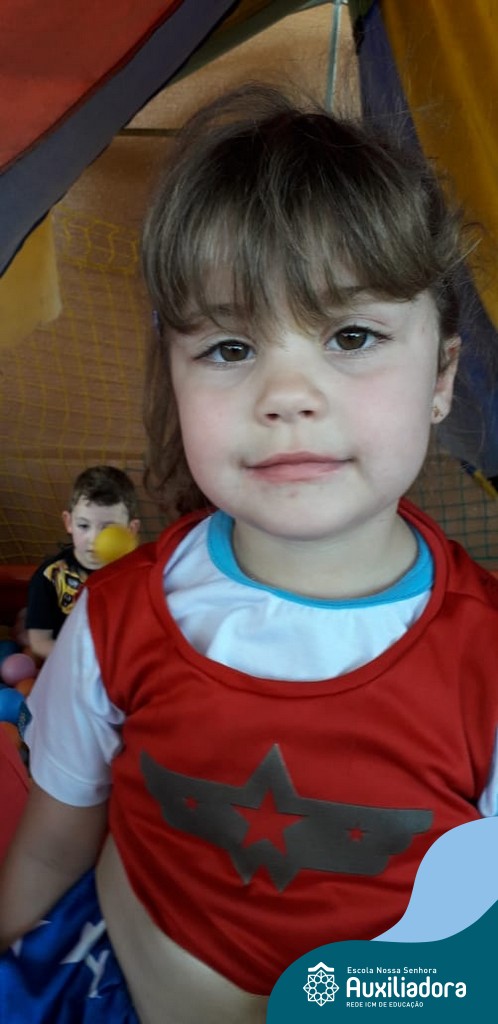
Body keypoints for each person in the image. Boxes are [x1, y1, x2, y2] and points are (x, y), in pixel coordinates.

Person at [1, 83, 498, 1024]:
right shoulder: (114, 619)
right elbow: (53, 842)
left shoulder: (488, 661)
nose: (286, 395)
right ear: (174, 374)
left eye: (352, 336)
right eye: (230, 349)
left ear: (441, 375)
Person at [25, 465, 140, 660]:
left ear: (131, 530)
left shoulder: (138, 574)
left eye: (108, 528)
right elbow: (39, 642)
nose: (93, 539)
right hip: (69, 661)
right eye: (83, 525)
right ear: (68, 522)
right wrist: (89, 660)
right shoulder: (50, 576)